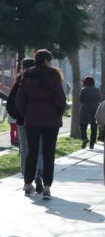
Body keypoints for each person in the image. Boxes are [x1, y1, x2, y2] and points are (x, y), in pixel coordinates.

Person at [15, 49, 67, 199]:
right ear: (46, 60)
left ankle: (27, 184)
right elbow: (61, 100)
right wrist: (57, 113)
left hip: (32, 119)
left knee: (32, 152)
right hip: (51, 119)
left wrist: (27, 113)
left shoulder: (27, 75)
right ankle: (47, 187)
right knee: (48, 153)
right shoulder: (54, 75)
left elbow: (19, 101)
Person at [6, 58, 44, 192]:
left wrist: (18, 116)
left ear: (22, 67)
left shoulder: (19, 82)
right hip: (39, 121)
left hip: (23, 121)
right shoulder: (41, 80)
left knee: (25, 149)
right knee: (39, 148)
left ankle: (26, 179)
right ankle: (39, 172)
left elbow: (10, 103)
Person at [80, 76, 101, 149]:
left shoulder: (83, 90)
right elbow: (99, 99)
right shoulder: (97, 90)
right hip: (95, 110)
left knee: (83, 125)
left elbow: (80, 100)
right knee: (94, 127)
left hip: (85, 109)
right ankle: (92, 143)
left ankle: (84, 138)